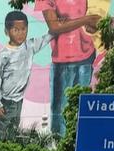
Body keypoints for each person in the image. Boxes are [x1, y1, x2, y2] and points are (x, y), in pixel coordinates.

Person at [37, 0, 101, 136]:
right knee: (60, 115)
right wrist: (86, 20)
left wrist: (68, 23)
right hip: (62, 60)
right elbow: (54, 27)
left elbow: (97, 20)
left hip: (86, 55)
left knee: (81, 112)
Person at [0, 10, 56, 138]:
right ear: (7, 32)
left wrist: (55, 28)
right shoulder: (2, 56)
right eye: (16, 30)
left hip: (18, 100)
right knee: (3, 137)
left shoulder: (29, 46)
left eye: (24, 29)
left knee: (14, 133)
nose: (21, 33)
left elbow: (45, 39)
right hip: (5, 103)